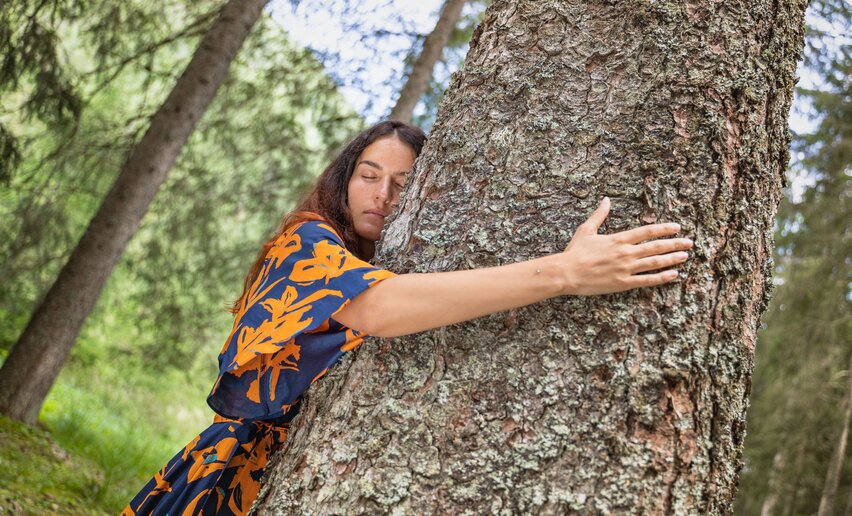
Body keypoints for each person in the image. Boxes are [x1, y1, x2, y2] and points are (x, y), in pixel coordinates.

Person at [122, 120, 692, 515]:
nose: (383, 194)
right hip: (227, 475)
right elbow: (379, 308)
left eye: (403, 183)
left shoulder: (377, 262)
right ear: (344, 178)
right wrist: (566, 273)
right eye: (369, 175)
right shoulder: (306, 239)